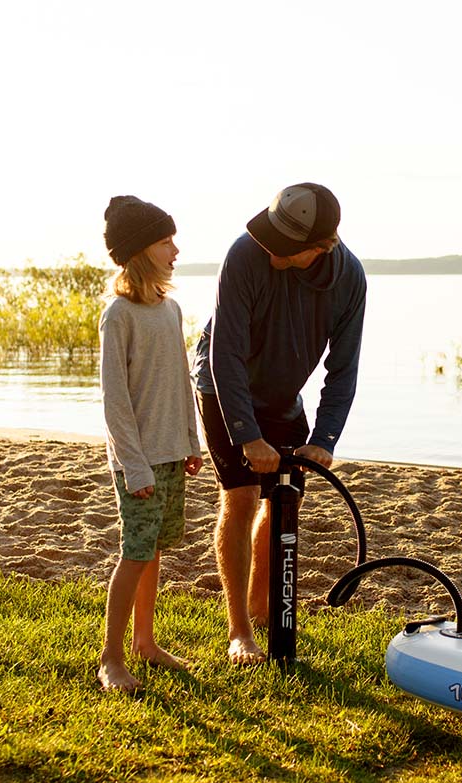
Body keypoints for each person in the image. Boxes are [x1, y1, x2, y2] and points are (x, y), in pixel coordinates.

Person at [193, 182, 366, 665]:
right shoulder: (246, 255)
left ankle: (265, 609)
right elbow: (225, 353)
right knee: (243, 495)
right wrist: (247, 435)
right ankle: (240, 630)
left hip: (283, 395)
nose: (272, 252)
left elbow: (343, 366)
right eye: (271, 239)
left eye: (285, 249)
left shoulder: (350, 279)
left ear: (322, 246)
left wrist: (324, 437)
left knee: (284, 502)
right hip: (223, 386)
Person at [97, 195, 203, 691]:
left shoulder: (170, 309)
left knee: (155, 549)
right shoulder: (119, 316)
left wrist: (191, 440)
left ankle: (145, 641)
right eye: (166, 242)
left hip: (170, 454)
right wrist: (134, 467)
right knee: (134, 552)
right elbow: (115, 402)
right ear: (141, 251)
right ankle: (111, 659)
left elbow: (182, 381)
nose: (175, 249)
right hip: (136, 462)